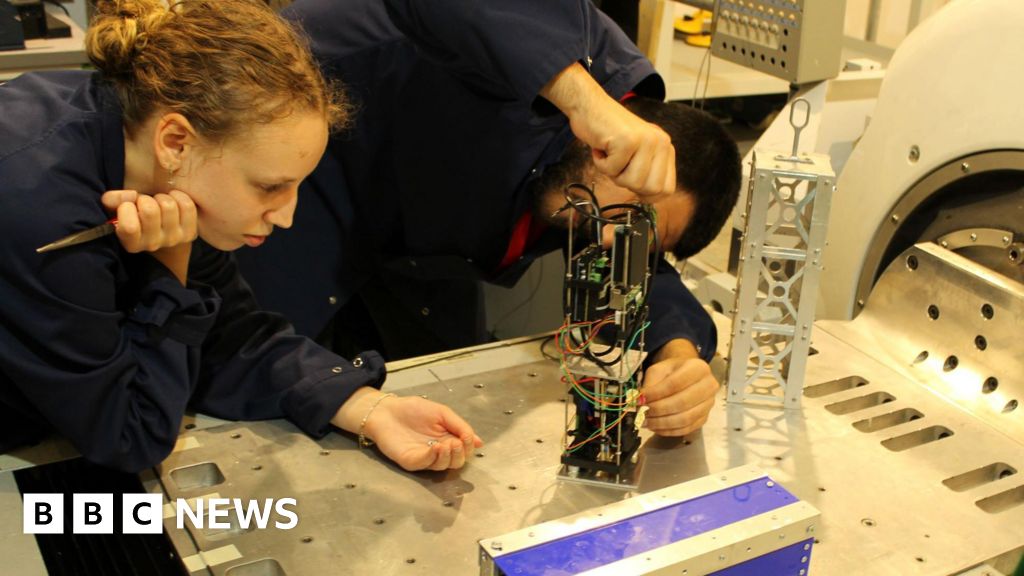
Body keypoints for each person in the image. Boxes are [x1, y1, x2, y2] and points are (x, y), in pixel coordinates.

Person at [0, 0, 481, 474]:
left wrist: (366, 406)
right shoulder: (37, 206)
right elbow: (131, 435)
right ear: (176, 142)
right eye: (269, 186)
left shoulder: (166, 164)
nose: (286, 217)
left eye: (297, 185)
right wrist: (169, 264)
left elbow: (231, 336)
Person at [235, 0, 742, 438]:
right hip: (298, 181)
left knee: (435, 403)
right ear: (629, 132)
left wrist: (678, 354)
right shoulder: (582, 51)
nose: (611, 237)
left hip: (413, 245)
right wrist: (581, 97)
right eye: (629, 215)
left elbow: (640, 277)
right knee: (256, 386)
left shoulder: (598, 201)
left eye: (638, 238)